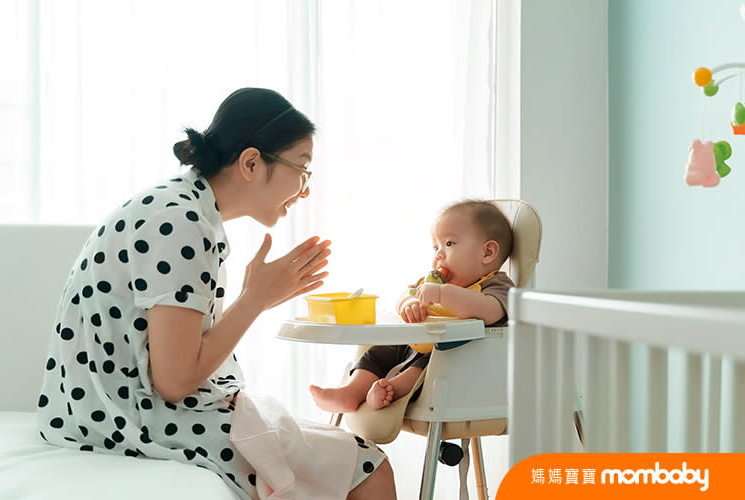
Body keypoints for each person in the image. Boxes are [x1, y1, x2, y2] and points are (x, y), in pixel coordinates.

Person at [35, 88, 396, 500]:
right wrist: (254, 300)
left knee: (336, 455)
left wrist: (259, 297)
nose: (305, 189)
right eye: (302, 167)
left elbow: (176, 357)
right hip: (122, 421)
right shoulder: (181, 222)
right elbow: (174, 382)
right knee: (370, 468)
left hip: (102, 411)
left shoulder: (183, 206)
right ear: (251, 162)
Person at [309, 200, 515, 413]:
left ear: (487, 252)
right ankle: (350, 392)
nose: (438, 255)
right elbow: (405, 294)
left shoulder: (497, 285)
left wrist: (444, 295)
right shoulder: (433, 282)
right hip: (415, 343)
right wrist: (409, 303)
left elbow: (490, 311)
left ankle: (392, 389)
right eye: (435, 247)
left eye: (449, 244)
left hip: (456, 356)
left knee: (430, 364)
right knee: (378, 352)